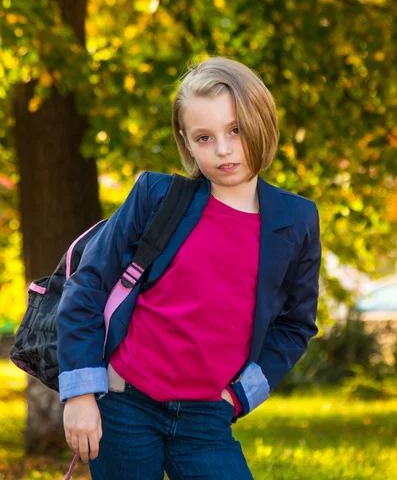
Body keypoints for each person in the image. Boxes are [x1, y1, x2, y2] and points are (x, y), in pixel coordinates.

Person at [57, 55, 322, 479]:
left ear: (262, 122)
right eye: (204, 137)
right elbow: (87, 285)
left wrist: (238, 397)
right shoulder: (156, 196)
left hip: (207, 418)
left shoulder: (297, 221)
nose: (222, 149)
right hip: (124, 402)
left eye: (235, 130)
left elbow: (295, 326)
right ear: (185, 140)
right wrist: (81, 393)